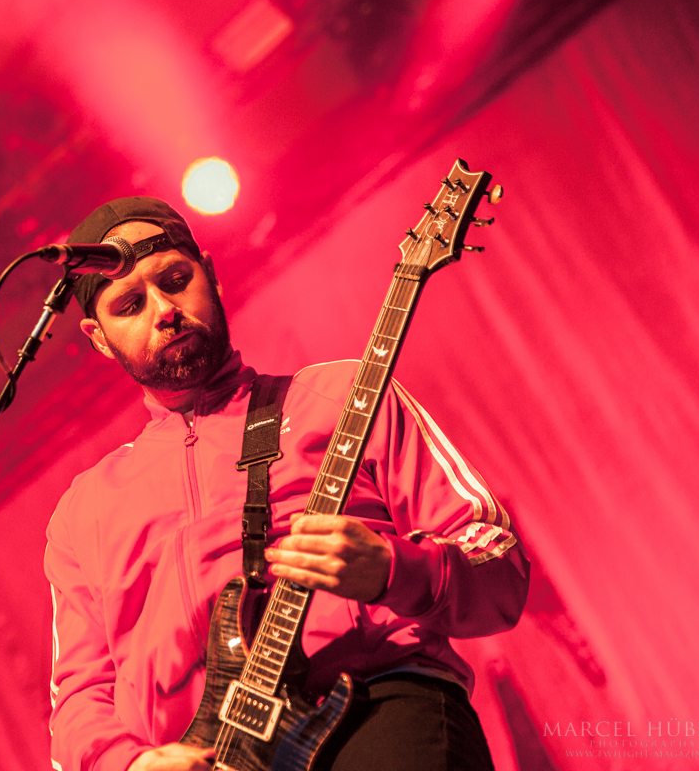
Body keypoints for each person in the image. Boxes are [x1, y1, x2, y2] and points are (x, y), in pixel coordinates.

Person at [45, 197, 529, 771]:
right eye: (130, 305)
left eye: (175, 281)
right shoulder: (83, 510)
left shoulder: (341, 396)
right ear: (99, 338)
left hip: (378, 709)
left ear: (211, 275)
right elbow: (78, 699)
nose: (164, 310)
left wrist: (394, 569)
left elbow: (499, 563)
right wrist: (128, 764)